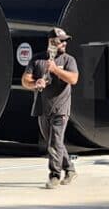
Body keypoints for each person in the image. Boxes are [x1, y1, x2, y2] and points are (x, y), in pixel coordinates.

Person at [22, 28, 80, 189]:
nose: (64, 43)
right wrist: (35, 83)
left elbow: (74, 79)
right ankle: (70, 168)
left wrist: (55, 69)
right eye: (61, 41)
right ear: (51, 42)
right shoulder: (37, 59)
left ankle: (54, 175)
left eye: (65, 40)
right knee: (53, 142)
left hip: (61, 107)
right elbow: (25, 80)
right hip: (42, 107)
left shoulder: (69, 60)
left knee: (55, 141)